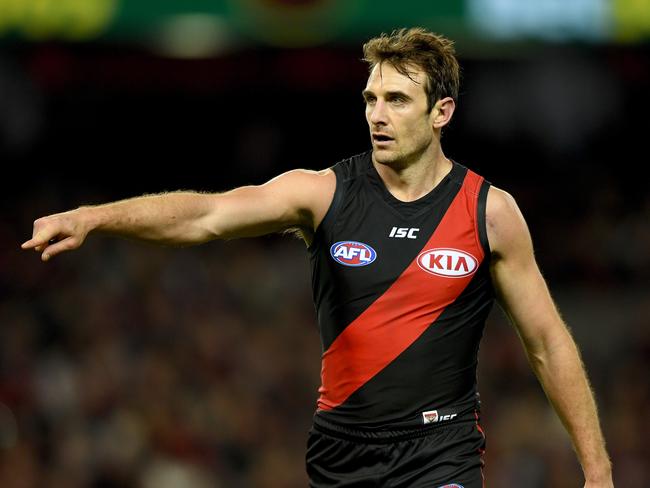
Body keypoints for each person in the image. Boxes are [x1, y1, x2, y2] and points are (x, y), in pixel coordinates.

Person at [22, 27, 613, 488]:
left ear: (442, 113)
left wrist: (597, 469)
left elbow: (547, 342)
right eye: (371, 98)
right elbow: (207, 216)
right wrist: (94, 217)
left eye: (398, 100)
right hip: (341, 451)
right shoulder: (323, 195)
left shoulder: (489, 213)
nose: (377, 115)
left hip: (442, 449)